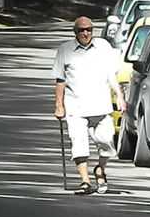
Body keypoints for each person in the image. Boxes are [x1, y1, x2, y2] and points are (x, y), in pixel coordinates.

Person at [52, 16, 126, 194]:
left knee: (107, 141)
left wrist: (120, 97)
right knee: (79, 143)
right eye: (81, 30)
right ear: (74, 32)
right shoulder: (65, 49)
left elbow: (111, 76)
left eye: (89, 30)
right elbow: (60, 80)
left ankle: (100, 169)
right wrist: (59, 105)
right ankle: (85, 181)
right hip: (75, 106)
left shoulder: (103, 47)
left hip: (101, 105)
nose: (85, 33)